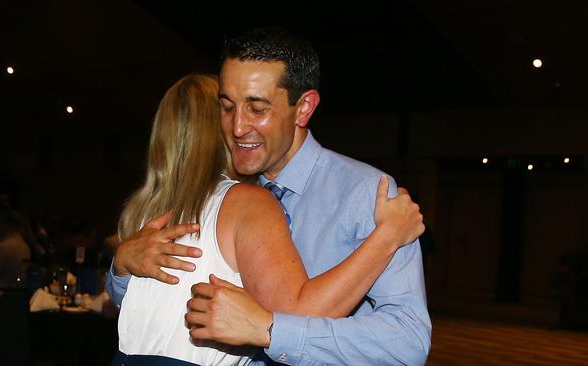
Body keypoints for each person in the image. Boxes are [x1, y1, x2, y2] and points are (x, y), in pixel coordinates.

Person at [109, 27, 431, 365]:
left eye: (256, 109)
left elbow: (407, 344)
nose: (236, 127)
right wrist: (122, 267)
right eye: (227, 107)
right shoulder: (221, 193)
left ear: (304, 107)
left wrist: (271, 330)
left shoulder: (368, 194)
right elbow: (141, 306)